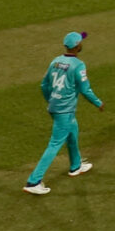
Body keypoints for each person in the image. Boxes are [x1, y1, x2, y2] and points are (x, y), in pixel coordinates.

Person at [24, 30, 104, 194]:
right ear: (77, 46)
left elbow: (44, 85)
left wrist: (51, 99)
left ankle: (76, 166)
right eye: (80, 42)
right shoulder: (78, 65)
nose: (82, 43)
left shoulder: (55, 61)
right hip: (65, 111)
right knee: (54, 144)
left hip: (55, 107)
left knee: (73, 133)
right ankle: (33, 181)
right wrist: (98, 103)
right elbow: (85, 90)